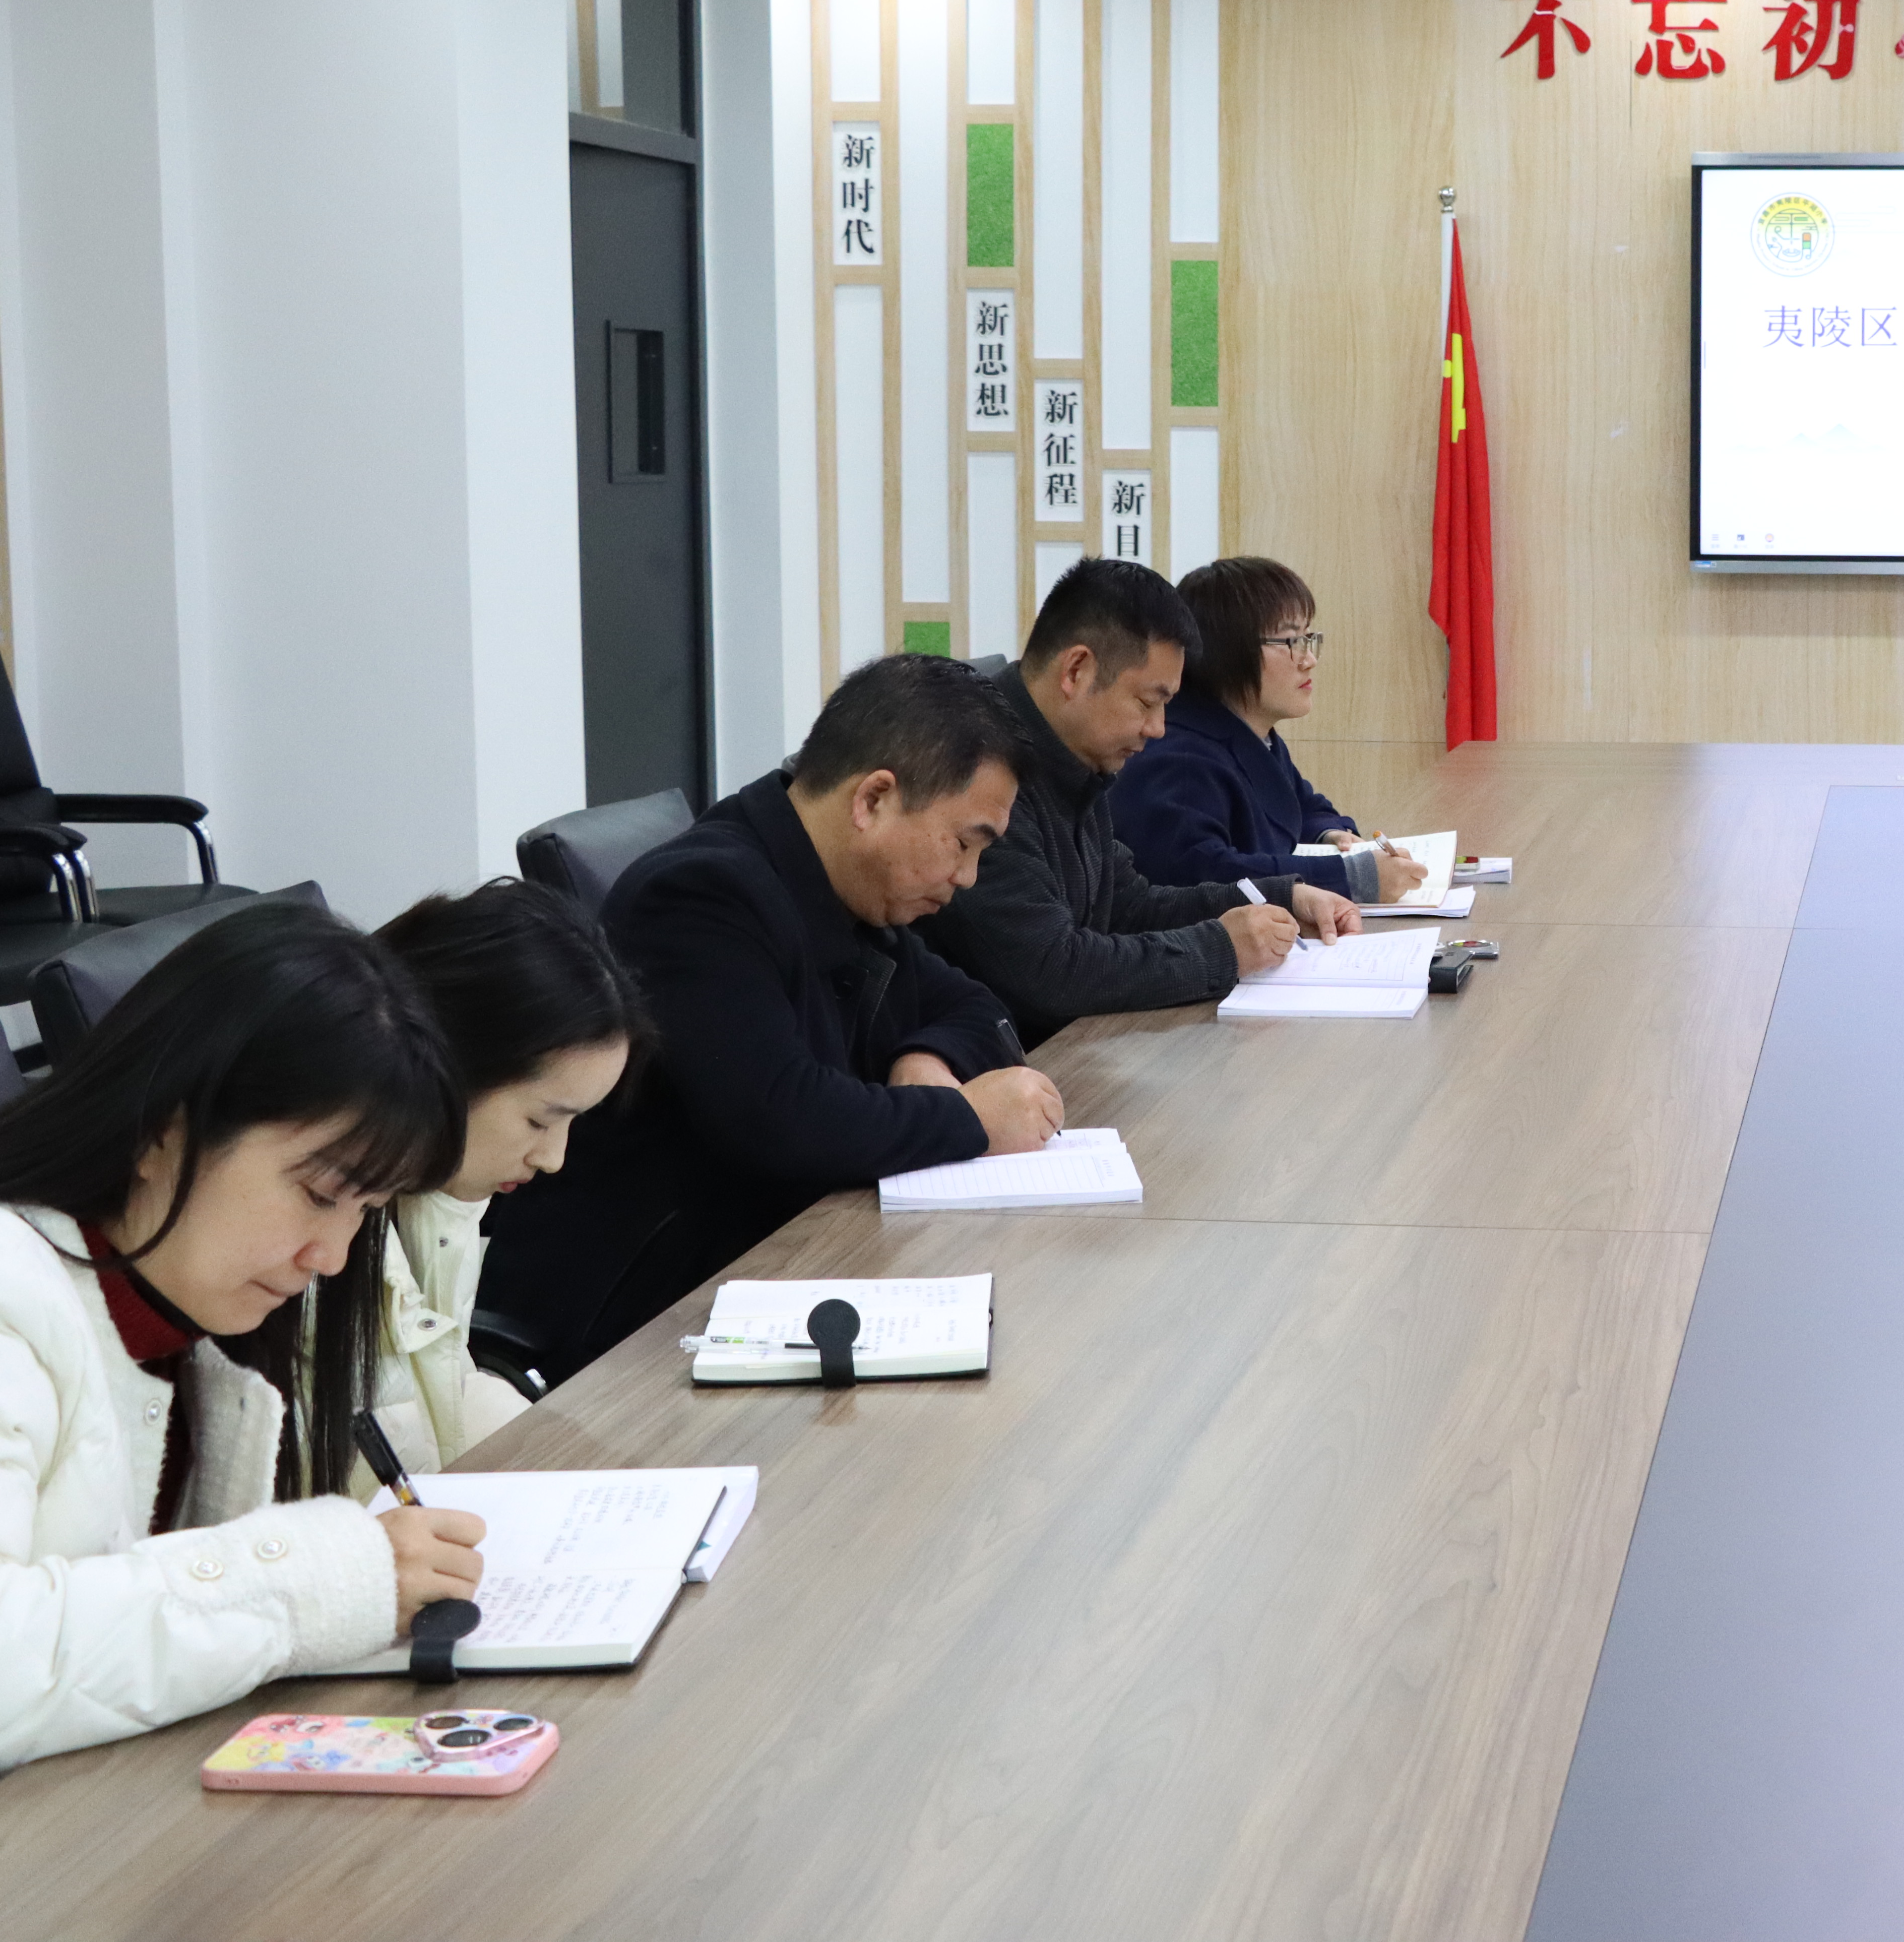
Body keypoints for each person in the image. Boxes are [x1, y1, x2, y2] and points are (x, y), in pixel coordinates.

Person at [0, 906, 488, 1811]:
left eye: (365, 1212)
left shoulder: (187, 1320)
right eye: (319, 1192)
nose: (331, 1257)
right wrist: (318, 1576)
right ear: (163, 1130)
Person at [483, 655, 1064, 1375]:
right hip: (637, 1329)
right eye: (964, 842)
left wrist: (925, 1059)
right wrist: (970, 1118)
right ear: (874, 799)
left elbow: (974, 1003)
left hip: (769, 1273)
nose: (967, 876)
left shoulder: (848, 886)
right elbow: (783, 1115)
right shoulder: (701, 895)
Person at [930, 560, 1363, 1043]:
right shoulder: (981, 768)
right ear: (1076, 671)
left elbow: (1129, 905)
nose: (1158, 729)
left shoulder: (1077, 753)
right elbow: (1052, 972)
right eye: (1147, 703)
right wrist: (1223, 949)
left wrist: (1279, 898)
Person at [359, 881, 649, 1479]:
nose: (554, 1158)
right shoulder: (321, 1235)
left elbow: (440, 1401)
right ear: (446, 1061)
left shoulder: (440, 1198)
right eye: (540, 1120)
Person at [1113, 556, 1428, 904]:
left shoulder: (1251, 734)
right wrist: (1351, 877)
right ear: (1229, 652)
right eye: (1291, 642)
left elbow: (1302, 805)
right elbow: (1204, 874)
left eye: (1309, 638)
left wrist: (1330, 834)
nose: (1309, 660)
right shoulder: (1181, 757)